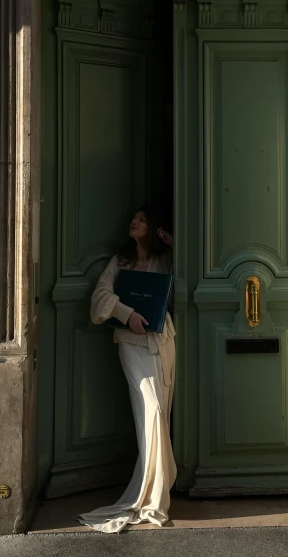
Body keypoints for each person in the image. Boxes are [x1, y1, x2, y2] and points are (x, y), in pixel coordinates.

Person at [77, 205, 176, 533]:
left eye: (142, 219)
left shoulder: (164, 260)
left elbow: (194, 272)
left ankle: (159, 486)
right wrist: (126, 313)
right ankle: (149, 493)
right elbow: (100, 296)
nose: (134, 222)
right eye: (133, 218)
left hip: (162, 342)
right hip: (132, 347)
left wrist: (174, 244)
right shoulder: (119, 263)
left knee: (161, 412)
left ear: (153, 227)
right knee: (151, 409)